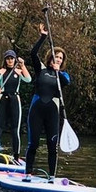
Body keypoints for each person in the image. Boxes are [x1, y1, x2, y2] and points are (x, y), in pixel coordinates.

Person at [23, 23, 69, 181]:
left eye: (61, 58)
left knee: (52, 146)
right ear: (51, 57)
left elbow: (66, 83)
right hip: (36, 110)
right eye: (56, 56)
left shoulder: (62, 75)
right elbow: (33, 53)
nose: (58, 59)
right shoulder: (41, 69)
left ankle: (52, 176)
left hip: (52, 113)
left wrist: (58, 71)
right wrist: (42, 37)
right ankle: (28, 173)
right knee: (33, 143)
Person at [0, 49, 31, 160]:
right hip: (2, 99)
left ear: (15, 59)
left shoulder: (18, 71)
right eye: (8, 58)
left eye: (12, 58)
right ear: (5, 60)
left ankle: (16, 156)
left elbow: (28, 79)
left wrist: (22, 65)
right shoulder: (1, 72)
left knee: (15, 129)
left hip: (14, 100)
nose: (10, 60)